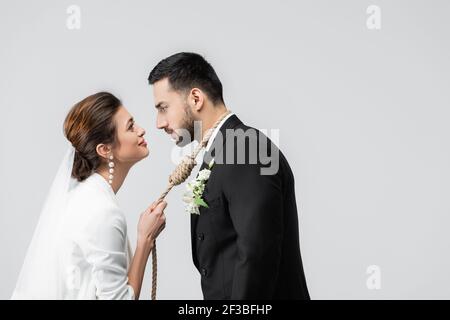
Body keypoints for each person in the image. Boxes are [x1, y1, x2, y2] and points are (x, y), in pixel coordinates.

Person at [148, 52, 310, 299]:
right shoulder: (222, 150)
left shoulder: (246, 149)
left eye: (163, 108)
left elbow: (256, 255)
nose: (159, 123)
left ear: (195, 98)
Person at [12, 92, 167, 299]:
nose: (141, 130)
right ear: (105, 149)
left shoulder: (84, 196)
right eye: (130, 126)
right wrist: (145, 240)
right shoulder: (104, 212)